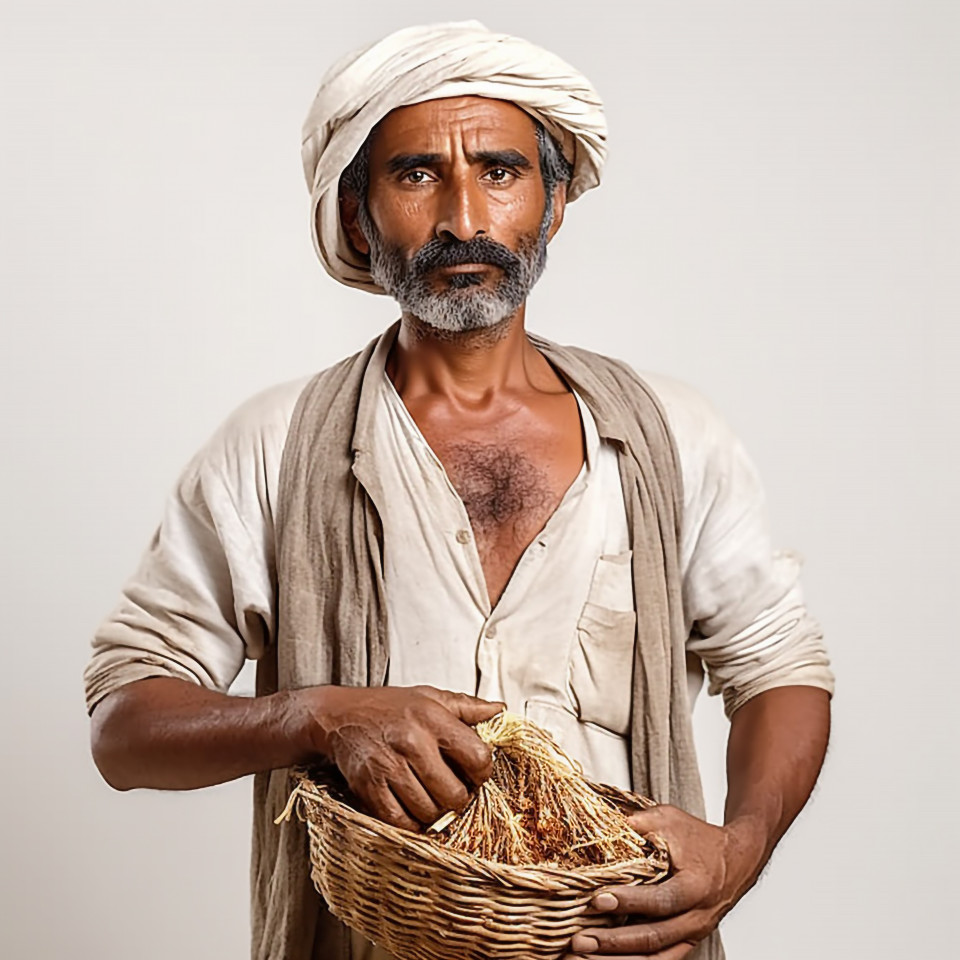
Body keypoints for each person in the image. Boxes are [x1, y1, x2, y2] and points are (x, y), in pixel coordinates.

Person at [84, 21, 833, 960]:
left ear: (554, 204)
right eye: (416, 174)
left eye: (501, 170)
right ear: (359, 215)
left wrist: (741, 848)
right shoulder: (274, 447)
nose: (464, 218)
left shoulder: (667, 437)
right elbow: (124, 726)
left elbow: (780, 670)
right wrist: (319, 715)